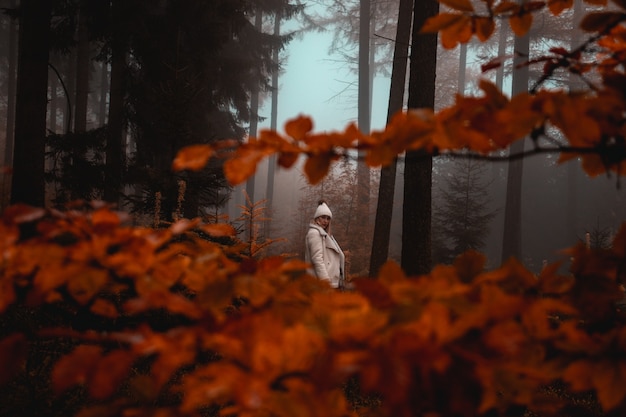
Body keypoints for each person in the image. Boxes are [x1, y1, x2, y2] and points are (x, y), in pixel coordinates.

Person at [305, 200, 346, 289]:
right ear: (317, 218)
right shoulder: (315, 233)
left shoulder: (325, 234)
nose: (325, 221)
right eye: (323, 217)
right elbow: (317, 259)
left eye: (328, 218)